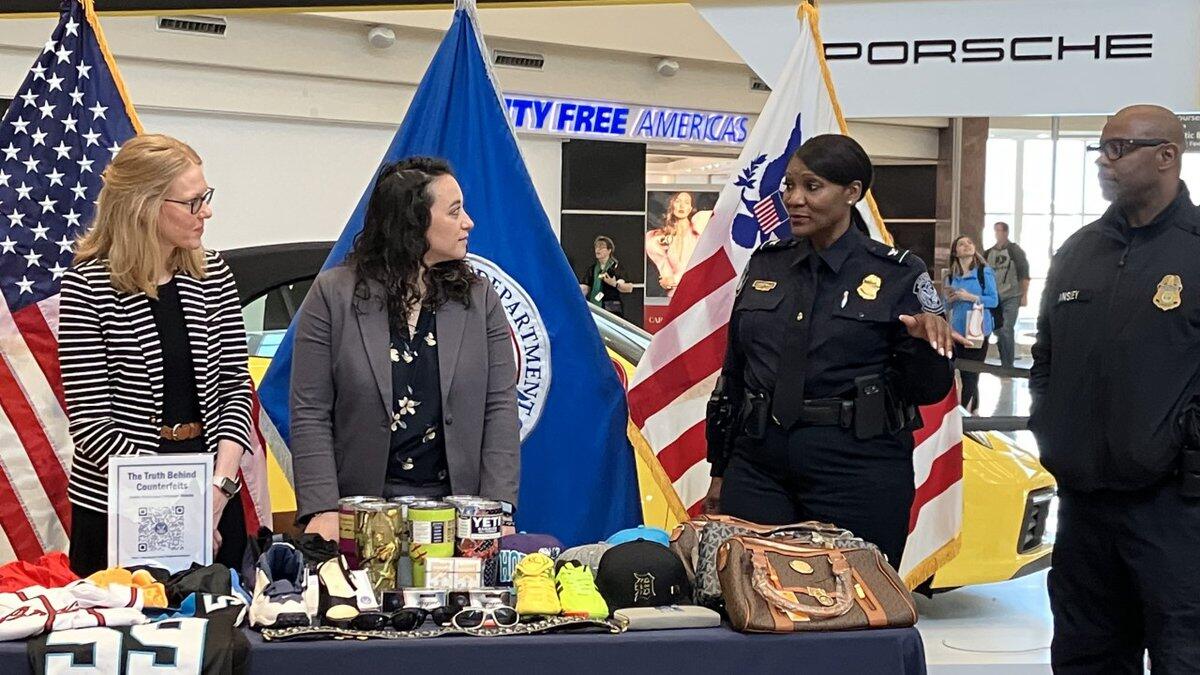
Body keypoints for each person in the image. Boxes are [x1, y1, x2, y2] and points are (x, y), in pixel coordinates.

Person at [702, 134, 960, 565]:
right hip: (759, 465)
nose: (794, 199)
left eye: (812, 187)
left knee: (853, 609)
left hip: (856, 468)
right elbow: (735, 373)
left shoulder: (897, 274)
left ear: (852, 193)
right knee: (755, 602)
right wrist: (720, 470)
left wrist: (923, 348)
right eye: (788, 186)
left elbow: (928, 389)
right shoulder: (767, 263)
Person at [1032, 105, 1200, 672]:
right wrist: (1050, 433)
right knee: (1086, 657)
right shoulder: (1079, 251)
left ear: (1166, 156)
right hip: (1084, 508)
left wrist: (1183, 439)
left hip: (1177, 510)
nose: (1105, 161)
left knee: (1184, 655)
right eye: (1101, 148)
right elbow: (1046, 359)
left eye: (1119, 148)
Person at [291, 157, 521, 542]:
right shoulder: (333, 294)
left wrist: (497, 508)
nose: (469, 222)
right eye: (454, 212)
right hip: (359, 510)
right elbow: (310, 411)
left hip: (459, 517)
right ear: (413, 224)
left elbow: (500, 408)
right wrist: (322, 508)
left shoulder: (480, 299)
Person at [59, 134, 252, 576]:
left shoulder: (214, 273)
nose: (207, 211)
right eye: (192, 202)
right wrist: (176, 503)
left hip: (214, 499)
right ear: (143, 206)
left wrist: (217, 491)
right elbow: (91, 424)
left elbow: (235, 390)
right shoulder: (88, 286)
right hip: (116, 510)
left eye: (206, 197)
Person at [945, 235, 998, 414]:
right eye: (962, 244)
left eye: (970, 242)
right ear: (955, 252)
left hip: (978, 329)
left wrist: (969, 297)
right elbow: (946, 306)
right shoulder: (951, 276)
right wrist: (951, 299)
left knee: (971, 373)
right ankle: (972, 411)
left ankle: (964, 414)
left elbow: (993, 300)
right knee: (966, 373)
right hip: (959, 330)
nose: (967, 246)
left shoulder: (984, 272)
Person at [645, 191, 711, 297]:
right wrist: (667, 281)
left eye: (686, 202)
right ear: (672, 205)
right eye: (678, 201)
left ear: (690, 208)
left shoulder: (699, 225)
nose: (682, 206)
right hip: (675, 296)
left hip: (699, 293)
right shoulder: (657, 237)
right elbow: (665, 271)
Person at [984, 221, 1030, 369]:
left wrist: (1024, 295)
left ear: (1006, 232)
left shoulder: (1015, 251)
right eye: (996, 230)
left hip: (1012, 295)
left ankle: (1007, 366)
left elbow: (1024, 273)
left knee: (1006, 329)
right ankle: (1004, 360)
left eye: (1000, 231)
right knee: (998, 330)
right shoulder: (988, 253)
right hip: (994, 298)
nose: (998, 234)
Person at [578, 235, 633, 317]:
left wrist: (614, 284)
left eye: (601, 247)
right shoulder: (593, 269)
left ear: (609, 250)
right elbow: (586, 287)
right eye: (596, 247)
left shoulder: (616, 267)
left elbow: (629, 288)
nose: (597, 249)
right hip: (596, 307)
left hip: (612, 308)